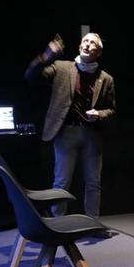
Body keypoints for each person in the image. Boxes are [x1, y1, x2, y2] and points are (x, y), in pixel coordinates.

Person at [25, 33, 116, 218]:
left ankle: (93, 223)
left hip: (92, 134)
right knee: (62, 182)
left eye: (92, 43)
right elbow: (31, 75)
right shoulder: (62, 67)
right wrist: (46, 56)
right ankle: (58, 223)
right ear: (80, 46)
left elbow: (112, 110)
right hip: (66, 132)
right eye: (85, 41)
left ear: (98, 52)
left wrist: (99, 114)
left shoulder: (106, 78)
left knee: (93, 182)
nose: (88, 45)